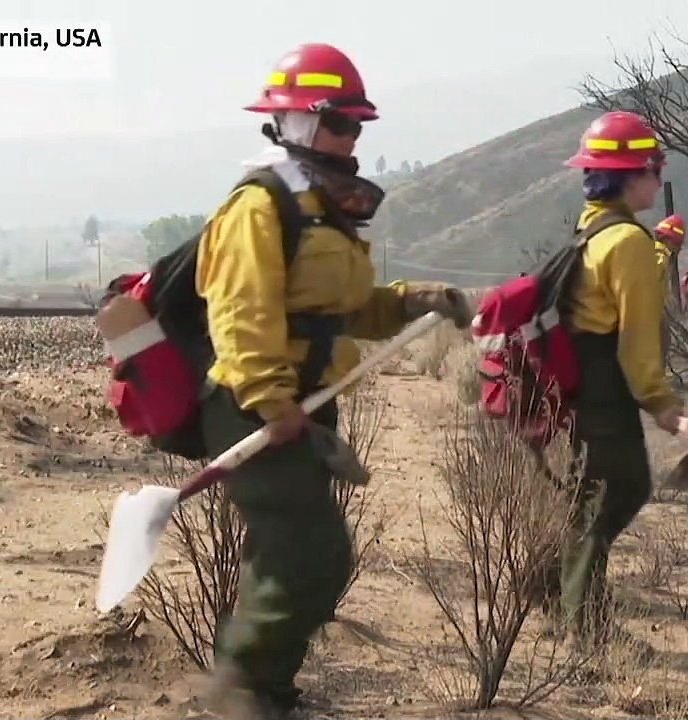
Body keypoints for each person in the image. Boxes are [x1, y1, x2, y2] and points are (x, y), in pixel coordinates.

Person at [196, 42, 473, 718]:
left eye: (357, 125)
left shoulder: (320, 208)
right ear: (294, 122)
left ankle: (269, 695)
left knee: (281, 561)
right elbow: (239, 313)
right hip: (254, 411)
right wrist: (271, 401)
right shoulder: (259, 207)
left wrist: (414, 301)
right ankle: (231, 694)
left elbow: (346, 310)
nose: (353, 138)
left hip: (306, 412)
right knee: (315, 557)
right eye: (340, 123)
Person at [559, 111, 685, 646]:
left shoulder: (591, 227)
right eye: (654, 168)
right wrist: (660, 402)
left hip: (579, 384)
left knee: (592, 495)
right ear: (630, 174)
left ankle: (569, 603)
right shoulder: (629, 242)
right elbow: (636, 337)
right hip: (604, 387)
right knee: (614, 492)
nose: (658, 179)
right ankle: (584, 629)